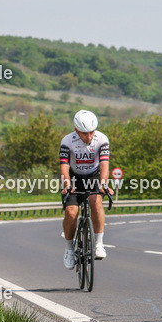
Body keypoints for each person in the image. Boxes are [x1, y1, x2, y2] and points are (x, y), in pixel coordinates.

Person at [61, 110, 113, 269]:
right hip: (74, 177)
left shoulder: (102, 139)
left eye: (92, 132)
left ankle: (98, 243)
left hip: (93, 176)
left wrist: (103, 183)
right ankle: (69, 249)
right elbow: (64, 166)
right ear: (77, 131)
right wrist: (67, 184)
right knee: (71, 212)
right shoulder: (67, 140)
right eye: (85, 133)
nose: (89, 136)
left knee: (96, 201)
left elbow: (104, 164)